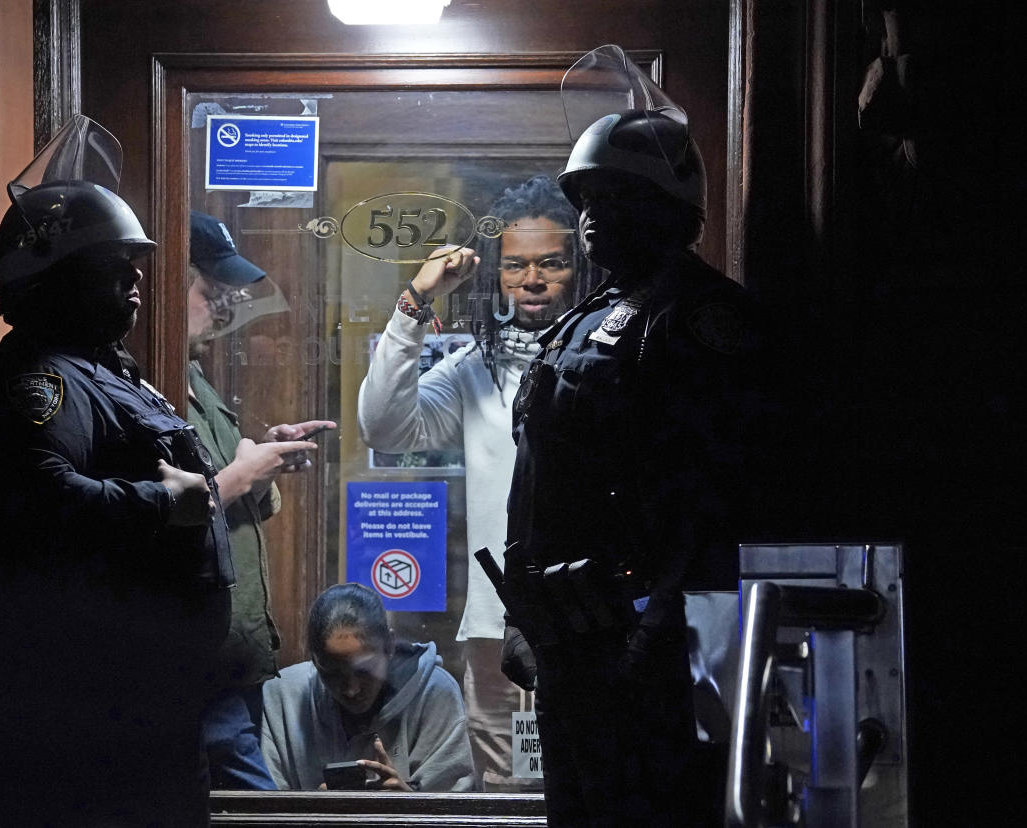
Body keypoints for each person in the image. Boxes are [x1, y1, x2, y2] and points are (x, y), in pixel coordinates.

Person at [0, 116, 321, 826]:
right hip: (92, 704)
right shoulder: (41, 381)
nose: (138, 281)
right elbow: (40, 498)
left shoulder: (107, 376)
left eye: (135, 265)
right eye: (113, 268)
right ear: (57, 280)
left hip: (151, 694)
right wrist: (163, 503)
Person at [501, 82, 779, 824]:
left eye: (616, 197)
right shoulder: (584, 320)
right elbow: (540, 474)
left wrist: (658, 631)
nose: (592, 217)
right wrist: (522, 622)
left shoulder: (701, 318)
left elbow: (720, 489)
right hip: (567, 636)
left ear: (668, 210)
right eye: (585, 198)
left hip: (647, 641)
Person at [356, 175, 593, 788]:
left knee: (593, 785)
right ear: (496, 275)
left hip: (595, 622)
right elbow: (384, 426)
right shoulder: (476, 367)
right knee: (506, 794)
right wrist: (414, 304)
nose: (532, 280)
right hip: (495, 630)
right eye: (515, 266)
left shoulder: (607, 355)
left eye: (551, 263)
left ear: (580, 266)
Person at [185, 210, 335, 789]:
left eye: (230, 295)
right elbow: (158, 514)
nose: (224, 308)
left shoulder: (194, 378)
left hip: (231, 656)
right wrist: (243, 475)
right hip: (201, 657)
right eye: (211, 291)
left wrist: (266, 462)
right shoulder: (144, 382)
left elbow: (238, 502)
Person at [259, 583, 478, 792]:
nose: (351, 690)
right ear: (314, 660)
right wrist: (313, 811)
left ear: (389, 646)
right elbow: (265, 811)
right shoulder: (282, 696)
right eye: (332, 673)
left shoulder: (435, 694)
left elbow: (455, 812)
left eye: (365, 671)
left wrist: (407, 806)